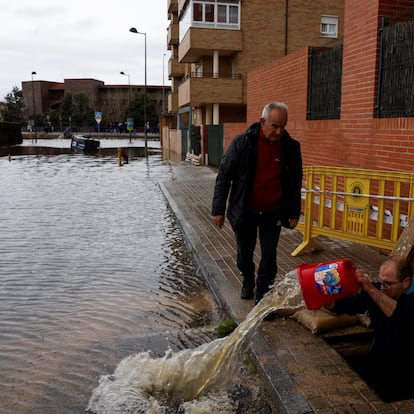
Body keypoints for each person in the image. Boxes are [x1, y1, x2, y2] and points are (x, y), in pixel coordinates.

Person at [211, 101, 303, 306]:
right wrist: (218, 210)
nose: (279, 131)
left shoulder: (291, 148)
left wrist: (294, 211)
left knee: (269, 257)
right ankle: (247, 280)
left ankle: (262, 296)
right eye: (275, 126)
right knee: (244, 254)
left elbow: (296, 181)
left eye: (283, 126)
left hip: (273, 211)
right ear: (262, 121)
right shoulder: (243, 143)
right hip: (246, 210)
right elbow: (224, 176)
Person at [325, 255, 414, 402]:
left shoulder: (399, 297)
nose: (383, 287)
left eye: (388, 284)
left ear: (406, 283)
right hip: (378, 363)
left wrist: (371, 290)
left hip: (406, 373)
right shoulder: (378, 289)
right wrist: (327, 298)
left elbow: (401, 316)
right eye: (381, 282)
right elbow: (346, 305)